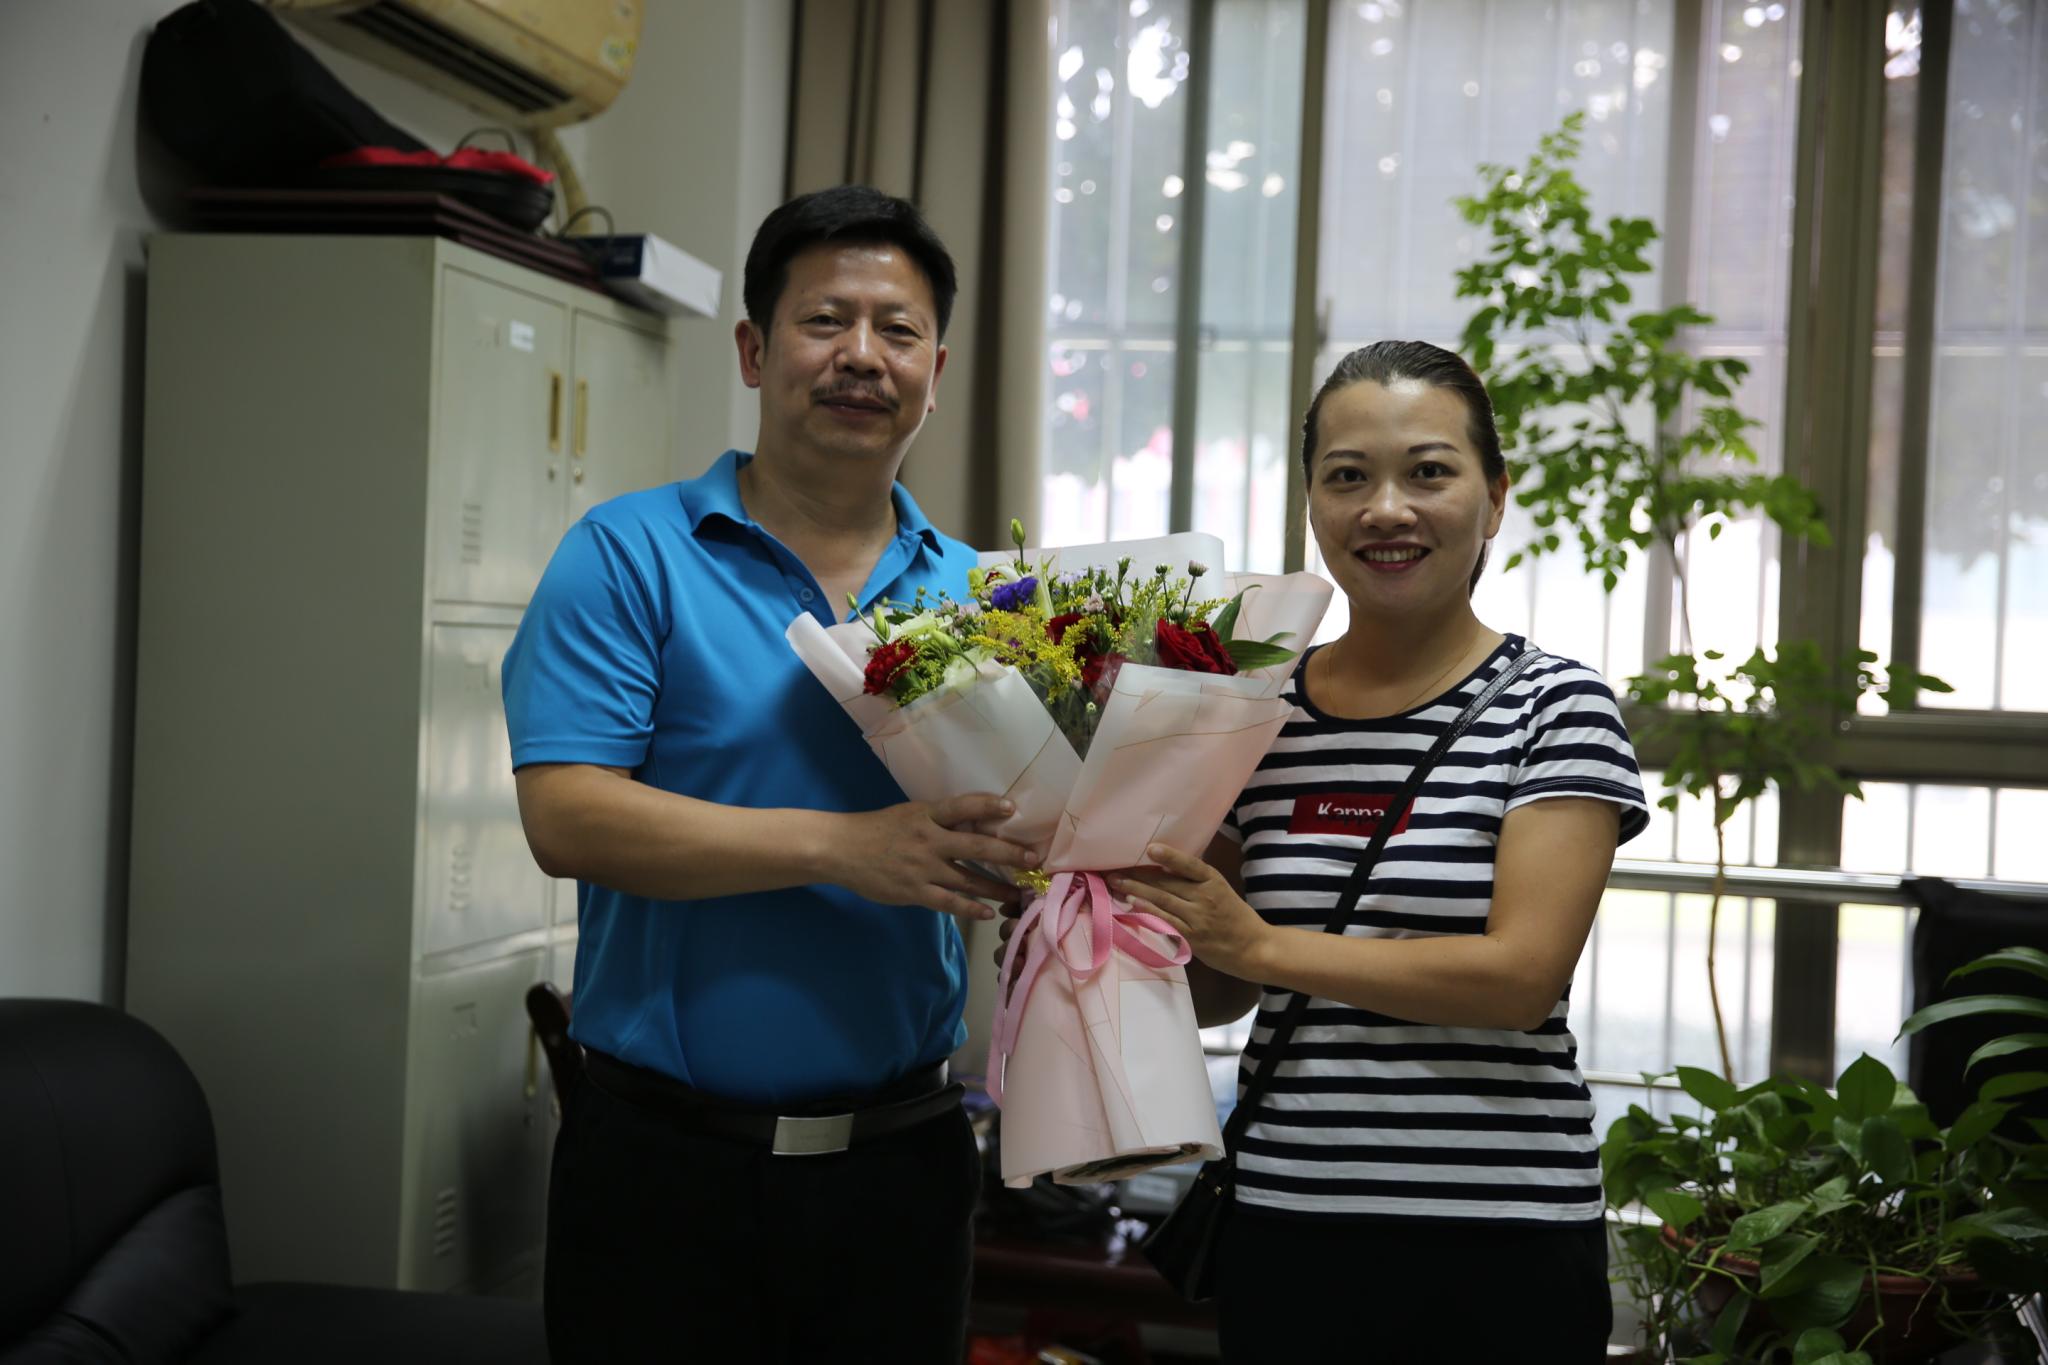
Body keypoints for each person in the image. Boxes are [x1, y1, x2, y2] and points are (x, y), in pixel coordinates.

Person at [504, 185, 1038, 1364]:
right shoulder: (629, 554)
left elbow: (1019, 828)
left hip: (900, 1172)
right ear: (753, 351)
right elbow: (566, 816)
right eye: (824, 321)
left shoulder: (989, 598)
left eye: (897, 331)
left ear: (935, 372)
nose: (862, 356)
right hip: (663, 1168)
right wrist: (845, 848)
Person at [1107, 340, 1647, 1362]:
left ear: (1494, 499)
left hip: (1500, 1236)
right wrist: (1086, 924)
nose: (1385, 509)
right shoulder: (1251, 710)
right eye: (1347, 476)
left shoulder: (1556, 707)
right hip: (1286, 1219)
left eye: (1427, 472)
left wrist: (1260, 944)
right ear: (1311, 504)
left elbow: (1517, 980)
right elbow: (1222, 988)